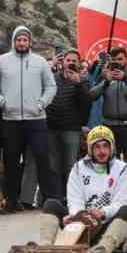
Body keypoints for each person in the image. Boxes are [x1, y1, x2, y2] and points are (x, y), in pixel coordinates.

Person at [0, 25, 57, 212]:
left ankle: (49, 199)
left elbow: (51, 86)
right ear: (14, 42)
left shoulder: (40, 62)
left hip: (37, 118)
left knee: (42, 158)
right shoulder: (1, 62)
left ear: (30, 42)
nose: (22, 43)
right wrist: (2, 102)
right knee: (11, 161)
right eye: (19, 40)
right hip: (11, 119)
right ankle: (11, 200)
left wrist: (41, 104)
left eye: (25, 40)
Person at [39, 125, 127, 253]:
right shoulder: (78, 168)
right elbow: (74, 198)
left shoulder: (124, 169)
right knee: (51, 204)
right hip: (81, 225)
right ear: (90, 149)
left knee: (126, 211)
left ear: (112, 147)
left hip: (107, 225)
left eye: (105, 146)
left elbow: (122, 201)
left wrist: (103, 212)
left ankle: (102, 250)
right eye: (97, 147)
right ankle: (44, 248)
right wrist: (75, 217)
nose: (102, 151)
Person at [46, 50, 92, 192]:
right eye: (68, 60)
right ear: (63, 62)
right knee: (54, 165)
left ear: (79, 63)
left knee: (70, 165)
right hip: (52, 128)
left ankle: (71, 196)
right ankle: (56, 196)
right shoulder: (52, 78)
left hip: (72, 129)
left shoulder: (83, 80)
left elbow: (87, 103)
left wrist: (78, 85)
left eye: (74, 61)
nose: (71, 63)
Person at [88, 45, 127, 161]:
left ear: (126, 60)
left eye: (120, 59)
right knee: (111, 160)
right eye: (114, 60)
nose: (117, 62)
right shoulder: (104, 75)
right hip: (109, 126)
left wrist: (125, 78)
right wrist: (106, 82)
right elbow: (92, 95)